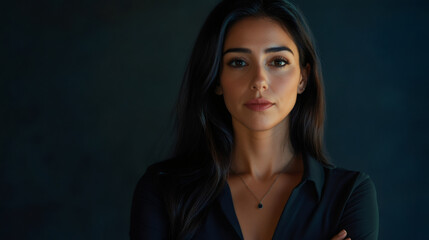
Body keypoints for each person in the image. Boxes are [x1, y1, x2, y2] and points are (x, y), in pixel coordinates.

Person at [130, 0, 379, 239]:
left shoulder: (349, 196)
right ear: (217, 78)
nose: (259, 80)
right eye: (239, 62)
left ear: (303, 77)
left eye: (278, 61)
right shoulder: (162, 191)